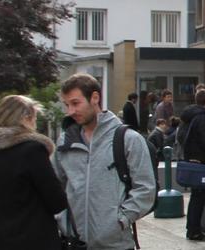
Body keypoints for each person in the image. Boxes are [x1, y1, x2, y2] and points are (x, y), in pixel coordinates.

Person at [53, 74, 157, 249]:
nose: (70, 111)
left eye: (75, 103)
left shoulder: (128, 139)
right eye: (67, 105)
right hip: (73, 243)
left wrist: (120, 221)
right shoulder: (65, 141)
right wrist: (63, 221)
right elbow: (55, 187)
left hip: (115, 244)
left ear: (95, 98)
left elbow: (146, 188)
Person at [0, 95, 67, 250]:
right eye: (35, 118)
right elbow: (57, 202)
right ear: (25, 118)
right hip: (34, 240)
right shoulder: (32, 151)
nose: (35, 124)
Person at [177, 87, 205, 241]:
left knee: (197, 197)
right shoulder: (203, 118)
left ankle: (195, 226)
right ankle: (194, 231)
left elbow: (182, 136)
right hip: (201, 162)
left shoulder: (189, 116)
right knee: (199, 197)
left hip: (193, 159)